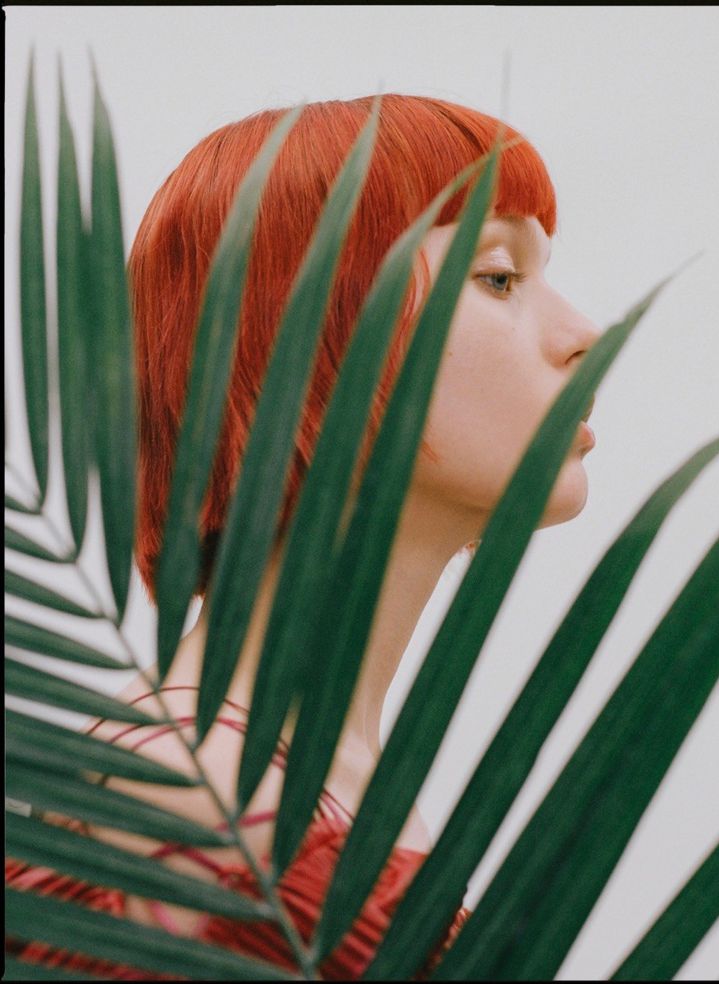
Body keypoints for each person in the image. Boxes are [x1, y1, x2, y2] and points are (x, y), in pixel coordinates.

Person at [6, 93, 600, 979]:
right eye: (499, 278)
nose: (583, 335)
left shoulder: (306, 802)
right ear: (310, 340)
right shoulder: (211, 814)